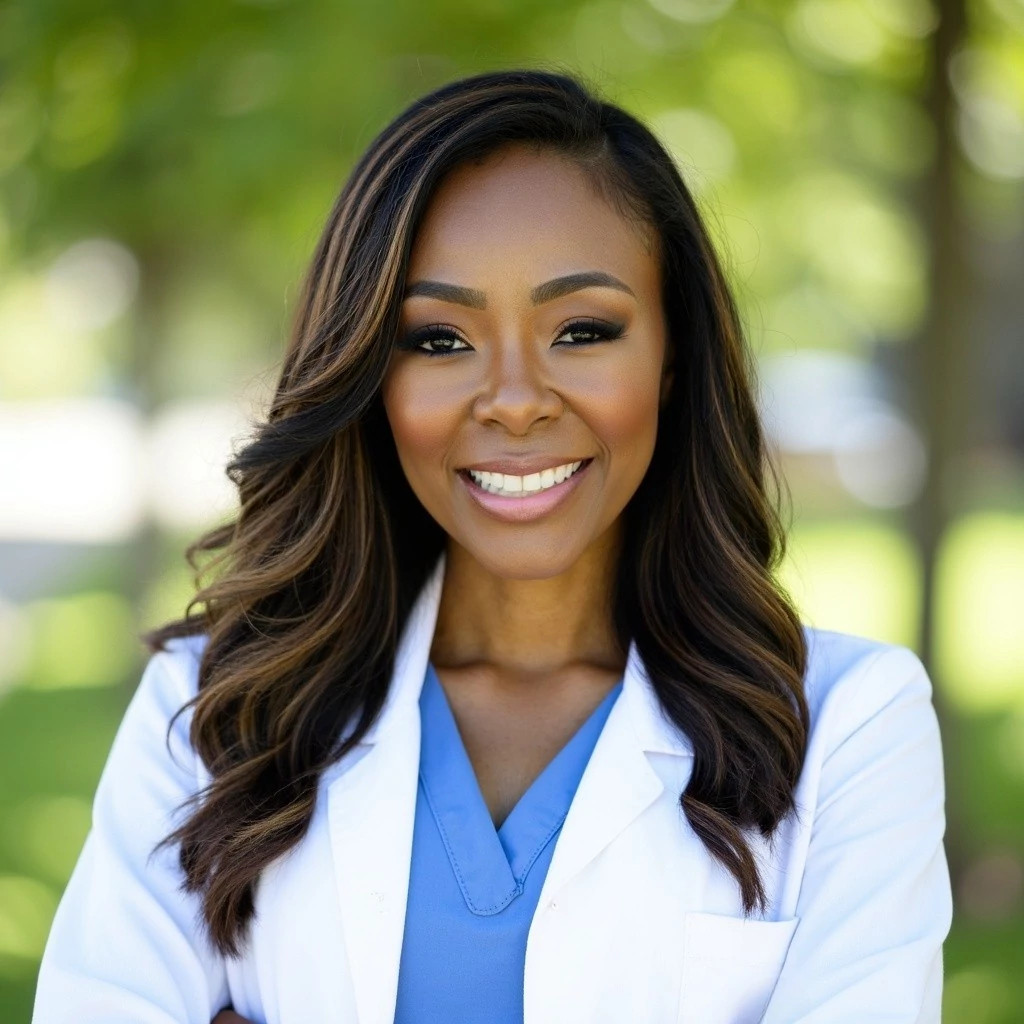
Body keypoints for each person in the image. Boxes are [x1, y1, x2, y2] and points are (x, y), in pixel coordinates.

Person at [31, 68, 952, 1023]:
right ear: (368, 376)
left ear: (673, 358)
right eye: (438, 340)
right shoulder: (213, 712)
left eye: (582, 329)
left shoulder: (849, 730)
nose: (513, 398)